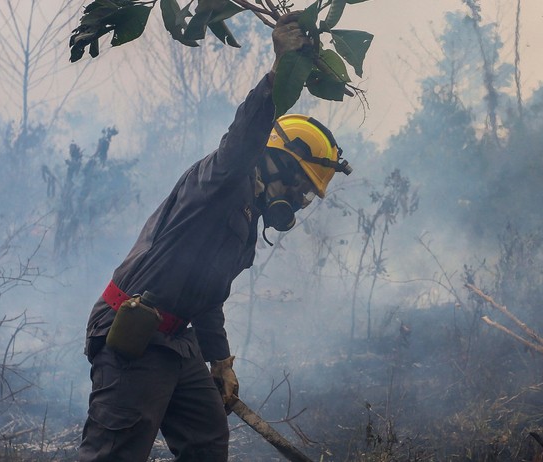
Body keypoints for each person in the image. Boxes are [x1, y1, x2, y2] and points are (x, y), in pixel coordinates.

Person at [77, 12, 351, 461]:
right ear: (276, 162)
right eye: (300, 187)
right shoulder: (224, 179)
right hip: (135, 332)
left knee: (206, 441)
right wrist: (279, 70)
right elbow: (246, 134)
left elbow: (208, 294)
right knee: (115, 453)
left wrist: (220, 360)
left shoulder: (246, 225)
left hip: (177, 340)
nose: (300, 202)